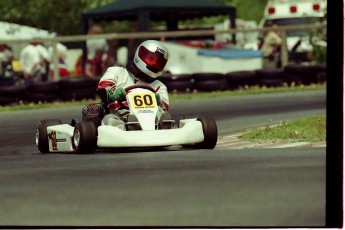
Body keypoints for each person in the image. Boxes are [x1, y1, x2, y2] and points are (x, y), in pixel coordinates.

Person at [84, 40, 171, 130]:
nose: (154, 63)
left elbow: (165, 107)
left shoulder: (159, 86)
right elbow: (103, 87)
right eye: (151, 59)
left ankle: (164, 125)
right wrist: (113, 93)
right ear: (140, 55)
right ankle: (129, 128)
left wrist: (159, 100)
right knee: (109, 119)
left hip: (151, 119)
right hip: (121, 116)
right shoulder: (117, 72)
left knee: (161, 113)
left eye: (158, 62)